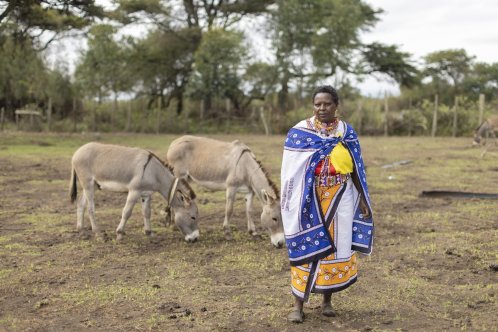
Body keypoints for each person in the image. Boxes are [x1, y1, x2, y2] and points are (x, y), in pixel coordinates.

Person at [280, 85, 374, 323]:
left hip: (341, 195)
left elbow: (356, 168)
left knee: (334, 247)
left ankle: (327, 301)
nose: (322, 108)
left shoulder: (346, 132)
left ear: (336, 106)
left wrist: (362, 198)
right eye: (317, 104)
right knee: (307, 246)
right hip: (309, 199)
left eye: (327, 104)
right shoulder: (300, 133)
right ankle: (297, 306)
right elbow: (291, 172)